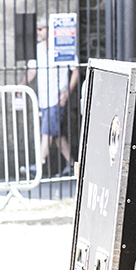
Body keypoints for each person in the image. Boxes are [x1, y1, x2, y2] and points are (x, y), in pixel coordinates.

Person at [26, 18, 79, 177]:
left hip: (56, 98)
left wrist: (67, 92)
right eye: (37, 29)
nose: (38, 32)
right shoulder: (37, 49)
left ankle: (38, 165)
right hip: (44, 98)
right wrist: (21, 85)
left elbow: (75, 69)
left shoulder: (62, 48)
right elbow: (32, 70)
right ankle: (73, 165)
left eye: (41, 29)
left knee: (47, 132)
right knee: (56, 134)